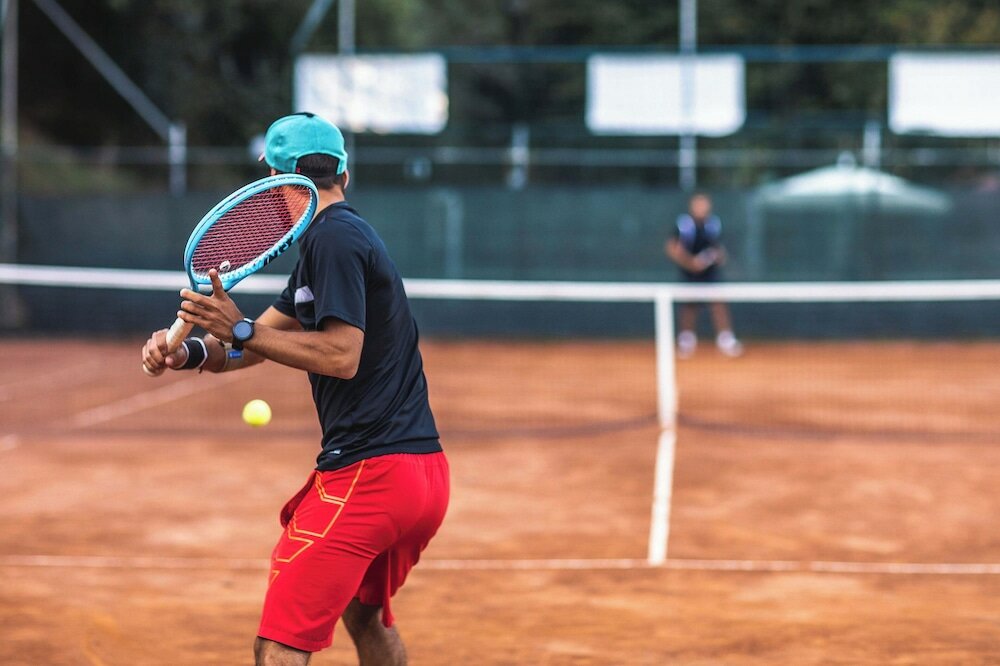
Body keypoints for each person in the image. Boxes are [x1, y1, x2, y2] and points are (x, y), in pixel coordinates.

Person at [141, 112, 449, 666]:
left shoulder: (334, 240)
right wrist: (186, 352)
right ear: (344, 176)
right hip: (421, 472)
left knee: (278, 646)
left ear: (279, 186)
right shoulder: (330, 242)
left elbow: (339, 355)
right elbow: (253, 345)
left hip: (370, 473)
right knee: (363, 613)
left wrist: (237, 326)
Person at [665, 192, 743, 358]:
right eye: (698, 204)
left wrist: (717, 257)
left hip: (710, 274)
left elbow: (718, 249)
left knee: (718, 303)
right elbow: (672, 248)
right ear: (692, 207)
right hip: (689, 274)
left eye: (704, 204)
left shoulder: (713, 224)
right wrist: (690, 263)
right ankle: (686, 341)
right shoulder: (683, 225)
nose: (702, 208)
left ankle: (726, 340)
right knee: (689, 306)